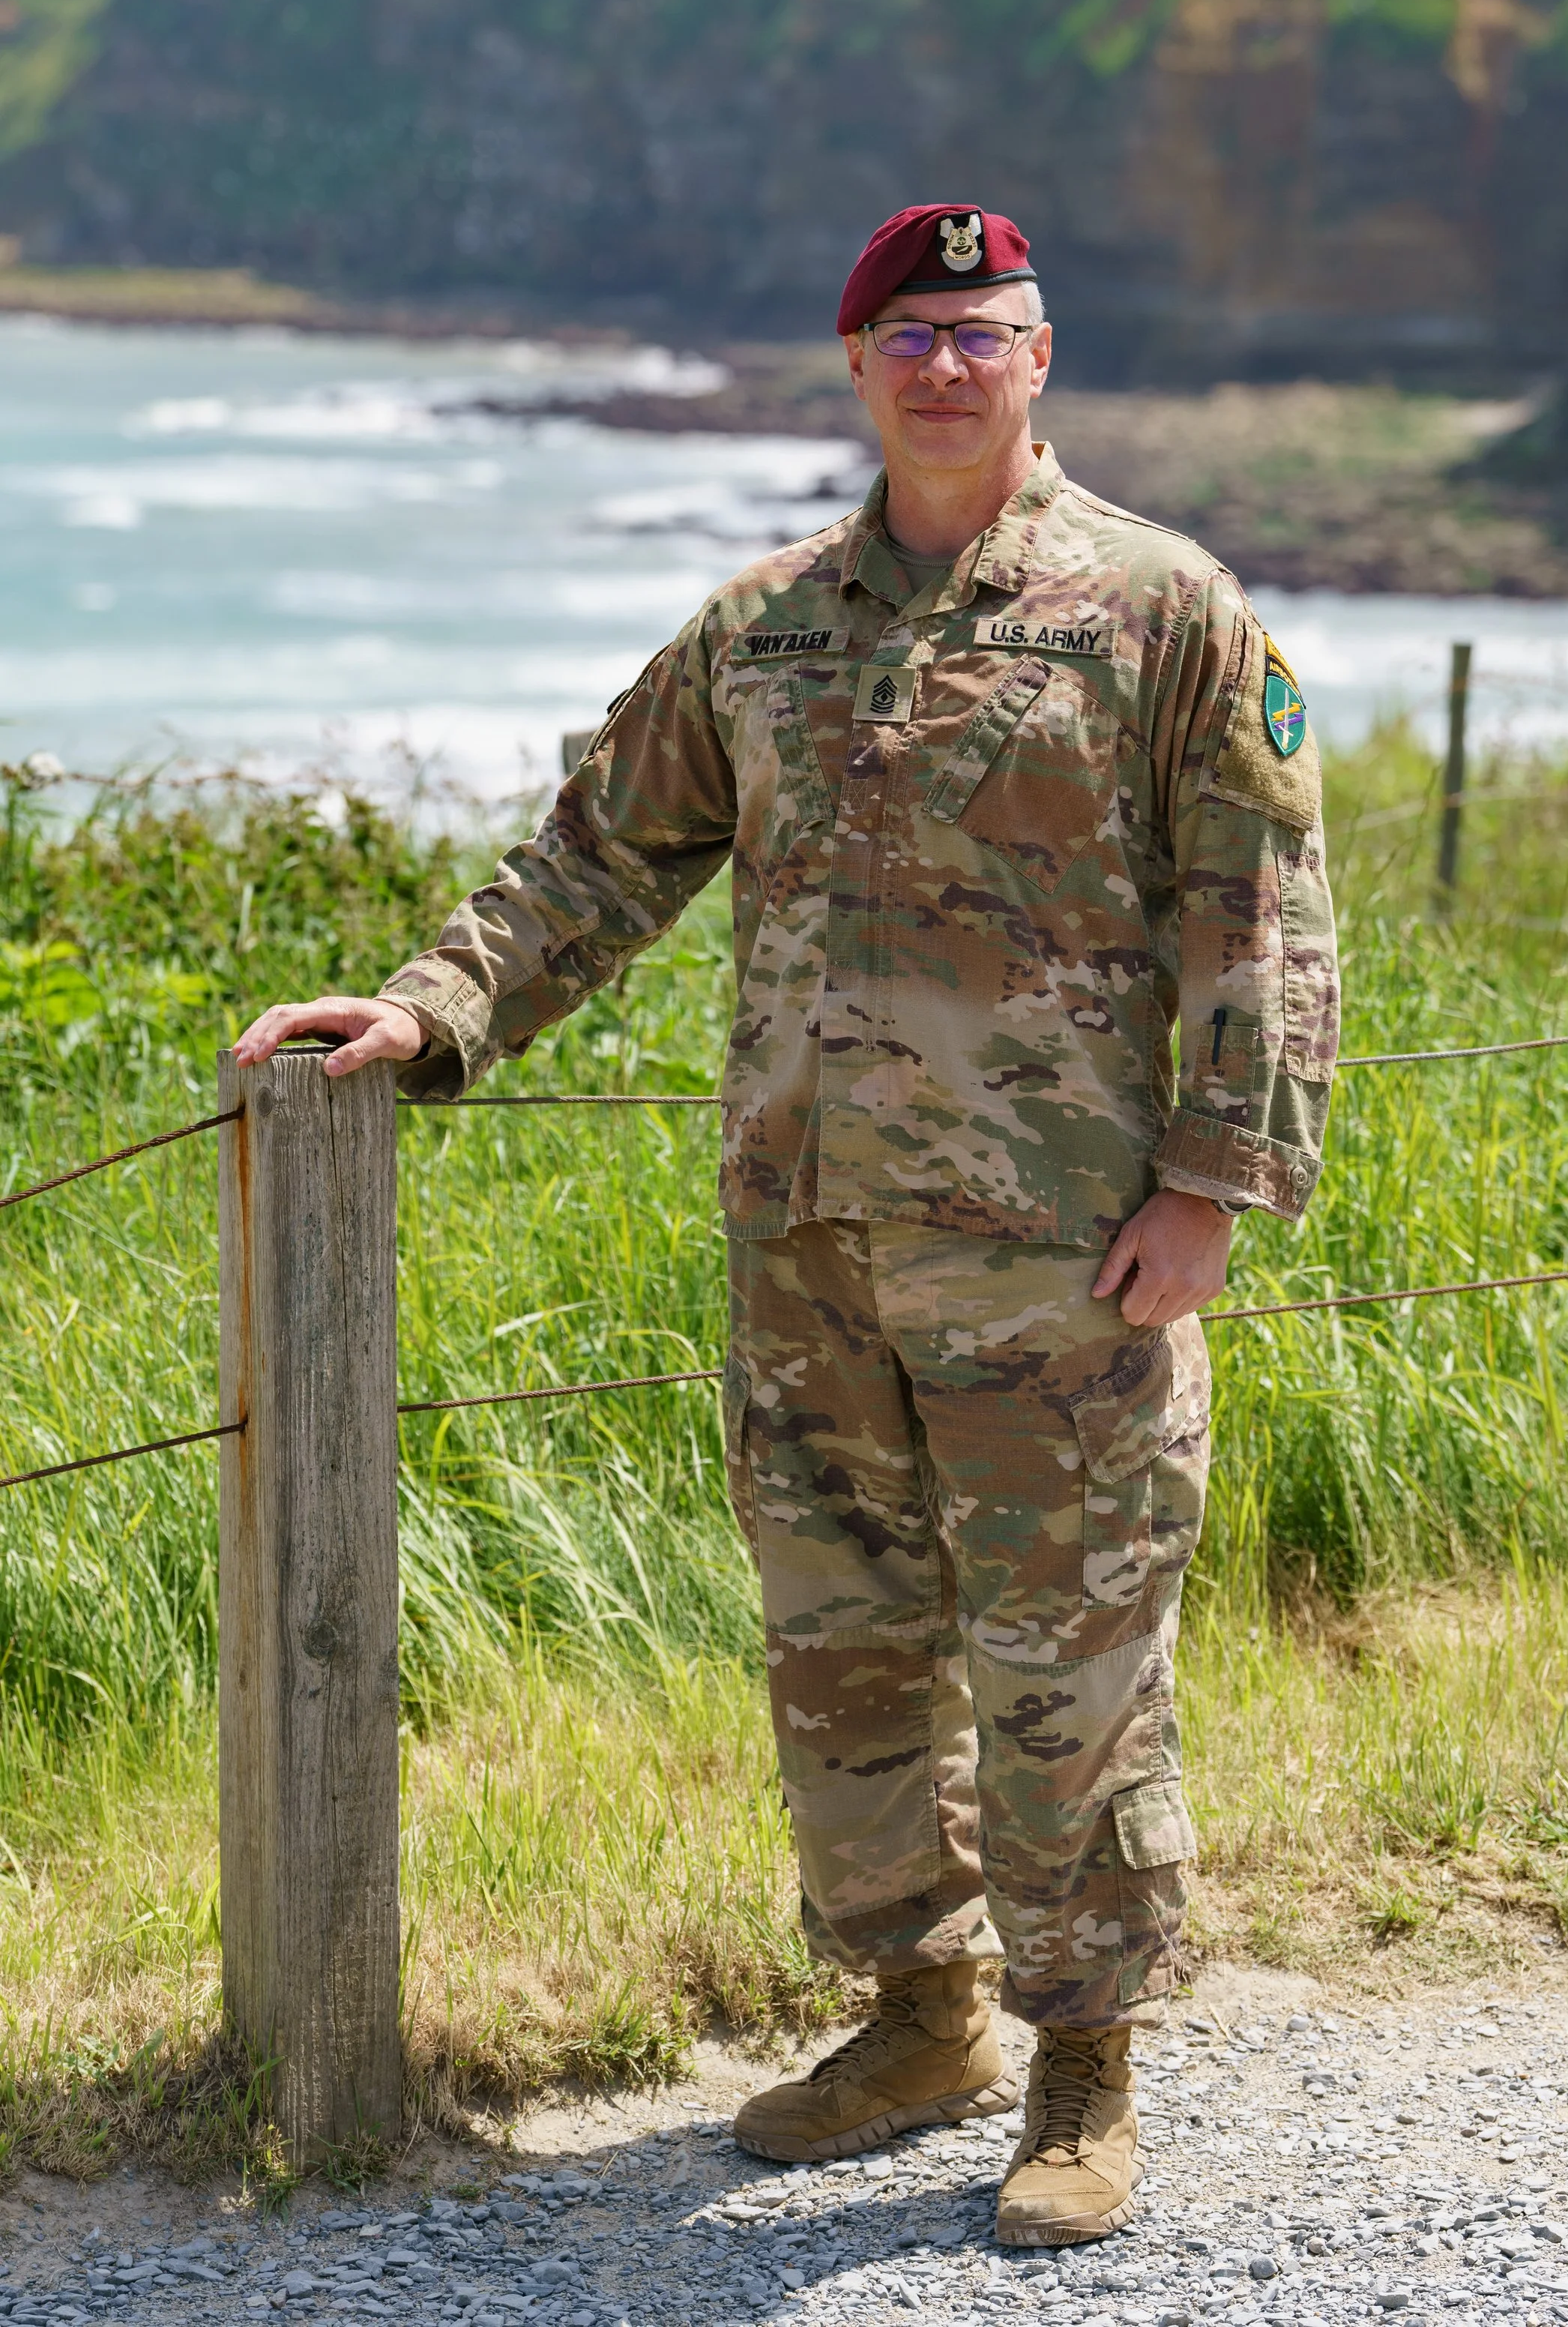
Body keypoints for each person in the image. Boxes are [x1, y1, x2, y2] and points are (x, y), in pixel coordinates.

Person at [234, 202, 1339, 2247]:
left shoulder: (1164, 610)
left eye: (979, 332)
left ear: (1039, 359)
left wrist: (1210, 1185)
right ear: (855, 367)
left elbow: (1257, 918)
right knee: (842, 1659)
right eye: (906, 333)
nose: (941, 363)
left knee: (1064, 1665)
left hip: (1059, 1262)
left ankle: (1083, 2060)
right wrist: (428, 1005)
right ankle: (918, 2015)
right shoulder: (759, 632)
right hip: (807, 1257)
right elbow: (598, 852)